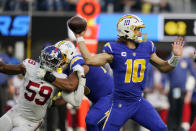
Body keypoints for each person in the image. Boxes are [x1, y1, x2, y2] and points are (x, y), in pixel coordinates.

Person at [73, 14, 184, 131]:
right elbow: (90, 60)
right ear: (127, 30)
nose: (140, 32)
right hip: (120, 104)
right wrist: (80, 38)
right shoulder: (114, 49)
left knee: (161, 129)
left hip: (138, 102)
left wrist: (175, 57)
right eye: (137, 29)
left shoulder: (146, 47)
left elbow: (164, 67)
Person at [0, 45, 86, 131]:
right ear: (42, 56)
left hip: (30, 122)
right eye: (47, 58)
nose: (48, 62)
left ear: (59, 63)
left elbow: (71, 98)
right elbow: (4, 67)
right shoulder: (30, 66)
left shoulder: (60, 78)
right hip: (16, 112)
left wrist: (52, 103)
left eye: (53, 61)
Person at [37, 40, 114, 131]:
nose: (58, 58)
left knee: (91, 120)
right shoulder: (67, 69)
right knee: (93, 125)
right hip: (99, 100)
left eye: (60, 55)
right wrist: (51, 103)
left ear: (69, 54)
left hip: (110, 96)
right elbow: (66, 97)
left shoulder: (76, 60)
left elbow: (71, 85)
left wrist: (47, 76)